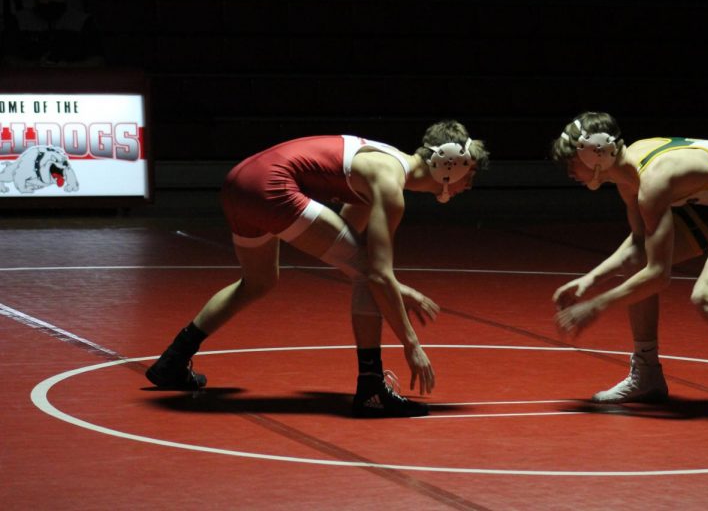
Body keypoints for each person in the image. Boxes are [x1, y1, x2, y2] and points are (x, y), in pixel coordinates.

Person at [145, 121, 489, 418]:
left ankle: (173, 360)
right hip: (270, 186)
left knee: (258, 281)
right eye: (469, 173)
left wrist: (392, 285)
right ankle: (371, 389)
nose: (469, 185)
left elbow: (343, 240)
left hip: (241, 182)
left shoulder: (383, 165)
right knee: (367, 273)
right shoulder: (389, 182)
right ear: (449, 164)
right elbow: (371, 271)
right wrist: (411, 344)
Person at [551, 111, 708, 430]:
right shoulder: (628, 177)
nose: (569, 170)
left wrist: (597, 305)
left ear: (595, 155)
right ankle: (647, 374)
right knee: (640, 265)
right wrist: (591, 279)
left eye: (572, 161)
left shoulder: (653, 180)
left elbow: (658, 274)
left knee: (707, 297)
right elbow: (640, 246)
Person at [2, 0, 104, 68]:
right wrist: (35, 65)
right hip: (28, 83)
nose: (52, 1)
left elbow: (98, 60)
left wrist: (68, 67)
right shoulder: (19, 21)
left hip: (73, 83)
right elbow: (6, 59)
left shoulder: (82, 21)